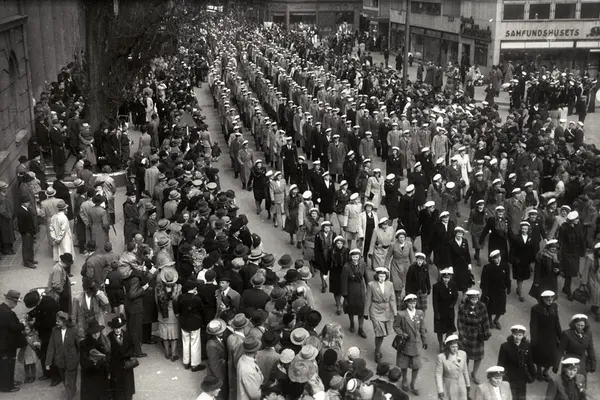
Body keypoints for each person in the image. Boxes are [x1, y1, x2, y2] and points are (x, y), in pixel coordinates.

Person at [393, 293, 427, 396]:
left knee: (417, 365)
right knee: (404, 364)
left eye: (414, 303)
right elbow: (396, 326)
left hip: (416, 344)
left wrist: (424, 340)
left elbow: (422, 328)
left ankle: (413, 383)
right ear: (406, 303)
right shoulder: (401, 314)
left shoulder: (420, 313)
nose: (413, 305)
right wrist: (402, 334)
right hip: (406, 343)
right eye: (411, 303)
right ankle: (404, 380)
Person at [457, 289, 491, 384]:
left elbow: (485, 320)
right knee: (466, 356)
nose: (475, 301)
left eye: (476, 299)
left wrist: (487, 332)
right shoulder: (463, 307)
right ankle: (466, 373)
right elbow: (460, 322)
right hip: (467, 333)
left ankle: (474, 373)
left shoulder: (482, 306)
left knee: (479, 356)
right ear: (468, 298)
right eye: (473, 299)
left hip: (478, 334)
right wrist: (462, 335)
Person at [364, 267, 397, 362]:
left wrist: (395, 312)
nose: (382, 278)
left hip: (386, 310)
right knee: (379, 333)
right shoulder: (371, 285)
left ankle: (377, 348)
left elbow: (392, 298)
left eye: (383, 276)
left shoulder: (390, 284)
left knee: (383, 334)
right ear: (377, 276)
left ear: (386, 276)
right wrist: (365, 312)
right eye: (380, 276)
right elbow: (368, 299)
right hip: (375, 310)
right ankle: (377, 352)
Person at [530, 290, 562, 382]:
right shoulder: (536, 308)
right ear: (542, 299)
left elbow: (556, 321)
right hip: (541, 335)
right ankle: (539, 371)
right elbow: (533, 324)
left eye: (551, 299)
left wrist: (560, 336)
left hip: (552, 335)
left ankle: (545, 371)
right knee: (540, 355)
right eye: (547, 300)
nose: (550, 301)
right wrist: (534, 339)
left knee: (552, 356)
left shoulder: (554, 306)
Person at [497, 325, 536, 400]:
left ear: (523, 335)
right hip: (510, 378)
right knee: (512, 397)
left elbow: (529, 361)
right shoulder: (505, 347)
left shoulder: (526, 345)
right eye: (515, 334)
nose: (517, 337)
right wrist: (502, 377)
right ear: (512, 334)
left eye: (520, 335)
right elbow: (501, 364)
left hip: (522, 377)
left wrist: (533, 374)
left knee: (521, 397)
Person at [46, 311, 79, 399]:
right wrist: (48, 362)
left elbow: (79, 345)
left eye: (58, 321)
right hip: (60, 360)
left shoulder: (73, 330)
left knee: (70, 379)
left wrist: (80, 359)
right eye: (56, 321)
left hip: (72, 360)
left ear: (64, 322)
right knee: (64, 379)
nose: (56, 323)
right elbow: (51, 346)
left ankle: (69, 395)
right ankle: (71, 390)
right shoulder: (54, 330)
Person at [555, 314, 597, 379]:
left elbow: (590, 349)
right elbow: (560, 350)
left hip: (582, 360)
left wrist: (593, 363)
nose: (580, 327)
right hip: (569, 359)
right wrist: (556, 364)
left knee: (580, 379)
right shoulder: (566, 334)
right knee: (568, 378)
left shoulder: (589, 334)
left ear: (585, 325)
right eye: (578, 325)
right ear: (574, 324)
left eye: (582, 325)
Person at [176, 279, 205, 372]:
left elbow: (178, 309)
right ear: (195, 288)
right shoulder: (197, 298)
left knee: (185, 342)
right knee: (195, 343)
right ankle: (194, 364)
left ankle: (186, 362)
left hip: (184, 322)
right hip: (195, 323)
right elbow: (201, 310)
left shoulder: (181, 297)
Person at [340, 248, 369, 338]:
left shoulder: (363, 264)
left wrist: (369, 288)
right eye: (353, 257)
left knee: (361, 309)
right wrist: (345, 294)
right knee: (351, 308)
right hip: (351, 290)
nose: (355, 259)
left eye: (357, 257)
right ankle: (352, 323)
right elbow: (343, 281)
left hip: (360, 290)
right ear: (350, 257)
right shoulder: (346, 267)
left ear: (359, 257)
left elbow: (366, 277)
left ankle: (361, 328)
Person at [0, 290, 25, 392]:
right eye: (15, 302)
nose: (16, 304)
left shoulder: (3, 310)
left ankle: (10, 382)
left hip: (6, 343)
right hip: (6, 344)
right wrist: (23, 324)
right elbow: (13, 327)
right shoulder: (6, 312)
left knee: (7, 364)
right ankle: (7, 387)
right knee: (7, 365)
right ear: (10, 300)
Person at [79, 319, 111, 399]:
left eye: (97, 332)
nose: (96, 334)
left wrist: (105, 361)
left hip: (102, 376)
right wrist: (95, 363)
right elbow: (83, 362)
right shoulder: (84, 344)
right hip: (90, 376)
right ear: (89, 333)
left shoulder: (104, 342)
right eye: (93, 333)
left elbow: (109, 357)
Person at [155, 265, 181, 361]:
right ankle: (173, 354)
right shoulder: (178, 288)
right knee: (174, 336)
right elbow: (179, 302)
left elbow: (156, 302)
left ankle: (166, 352)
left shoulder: (158, 288)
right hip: (174, 315)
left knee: (165, 336)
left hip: (162, 315)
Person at [480, 249, 511, 330]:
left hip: (501, 290)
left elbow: (507, 278)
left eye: (499, 257)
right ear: (492, 259)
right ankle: (490, 320)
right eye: (496, 258)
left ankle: (496, 320)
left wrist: (508, 287)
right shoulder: (487, 267)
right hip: (491, 291)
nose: (498, 259)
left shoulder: (505, 266)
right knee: (490, 307)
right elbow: (484, 281)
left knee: (501, 307)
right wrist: (485, 293)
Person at [106, 315, 136, 400]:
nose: (118, 330)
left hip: (126, 364)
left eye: (119, 327)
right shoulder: (109, 337)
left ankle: (128, 396)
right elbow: (108, 352)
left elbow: (132, 347)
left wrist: (128, 354)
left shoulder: (127, 335)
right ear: (112, 328)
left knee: (127, 383)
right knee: (117, 385)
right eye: (115, 328)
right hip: (116, 365)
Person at [435, 334, 470, 400]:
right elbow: (438, 375)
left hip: (461, 385)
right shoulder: (441, 357)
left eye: (456, 347)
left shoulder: (463, 354)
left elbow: (465, 370)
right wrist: (440, 390)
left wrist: (468, 384)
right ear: (448, 347)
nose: (455, 349)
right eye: (452, 347)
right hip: (449, 386)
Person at [385, 229, 414, 307]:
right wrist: (386, 267)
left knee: (406, 283)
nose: (402, 239)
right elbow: (388, 256)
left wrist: (413, 267)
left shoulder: (409, 244)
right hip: (395, 266)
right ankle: (397, 301)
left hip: (406, 266)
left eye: (403, 237)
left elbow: (412, 256)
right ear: (397, 237)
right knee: (396, 283)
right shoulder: (393, 245)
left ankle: (406, 301)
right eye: (400, 237)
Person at [509, 221, 537, 302]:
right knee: (519, 277)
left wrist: (532, 260)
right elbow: (512, 249)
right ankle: (520, 294)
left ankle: (518, 288)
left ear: (528, 229)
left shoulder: (531, 238)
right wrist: (513, 259)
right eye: (523, 229)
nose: (524, 230)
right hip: (518, 260)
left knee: (523, 277)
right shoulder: (516, 238)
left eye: (525, 229)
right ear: (520, 229)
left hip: (526, 261)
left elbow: (533, 249)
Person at [433, 267, 458, 352]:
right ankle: (440, 344)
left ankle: (446, 342)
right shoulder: (436, 286)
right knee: (440, 330)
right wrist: (436, 312)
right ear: (442, 277)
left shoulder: (453, 285)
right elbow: (435, 301)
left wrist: (453, 304)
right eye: (444, 278)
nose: (446, 279)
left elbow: (456, 295)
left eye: (448, 278)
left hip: (449, 310)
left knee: (450, 329)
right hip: (440, 310)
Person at [329, 236, 349, 315]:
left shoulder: (347, 251)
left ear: (343, 244)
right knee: (336, 290)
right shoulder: (332, 251)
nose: (339, 245)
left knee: (343, 289)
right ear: (335, 244)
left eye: (341, 243)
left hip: (344, 272)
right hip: (334, 272)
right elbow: (328, 261)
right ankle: (338, 305)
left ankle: (342, 303)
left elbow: (349, 261)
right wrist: (325, 272)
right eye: (338, 243)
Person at [580, 242, 600, 321]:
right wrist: (583, 283)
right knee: (597, 295)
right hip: (592, 280)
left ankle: (597, 310)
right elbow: (585, 271)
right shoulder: (590, 258)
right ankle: (598, 312)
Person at [16, 195, 37, 268]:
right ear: (23, 203)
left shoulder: (26, 209)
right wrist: (25, 232)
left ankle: (31, 259)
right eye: (27, 202)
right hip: (26, 232)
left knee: (30, 246)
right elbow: (20, 224)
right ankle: (27, 262)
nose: (28, 203)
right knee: (26, 247)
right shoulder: (21, 211)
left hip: (30, 231)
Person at [0, 181, 16, 255]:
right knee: (7, 235)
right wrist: (9, 216)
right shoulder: (2, 198)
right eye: (4, 187)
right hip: (5, 220)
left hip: (4, 220)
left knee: (6, 234)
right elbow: (2, 211)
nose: (6, 188)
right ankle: (7, 249)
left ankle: (7, 249)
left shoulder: (2, 196)